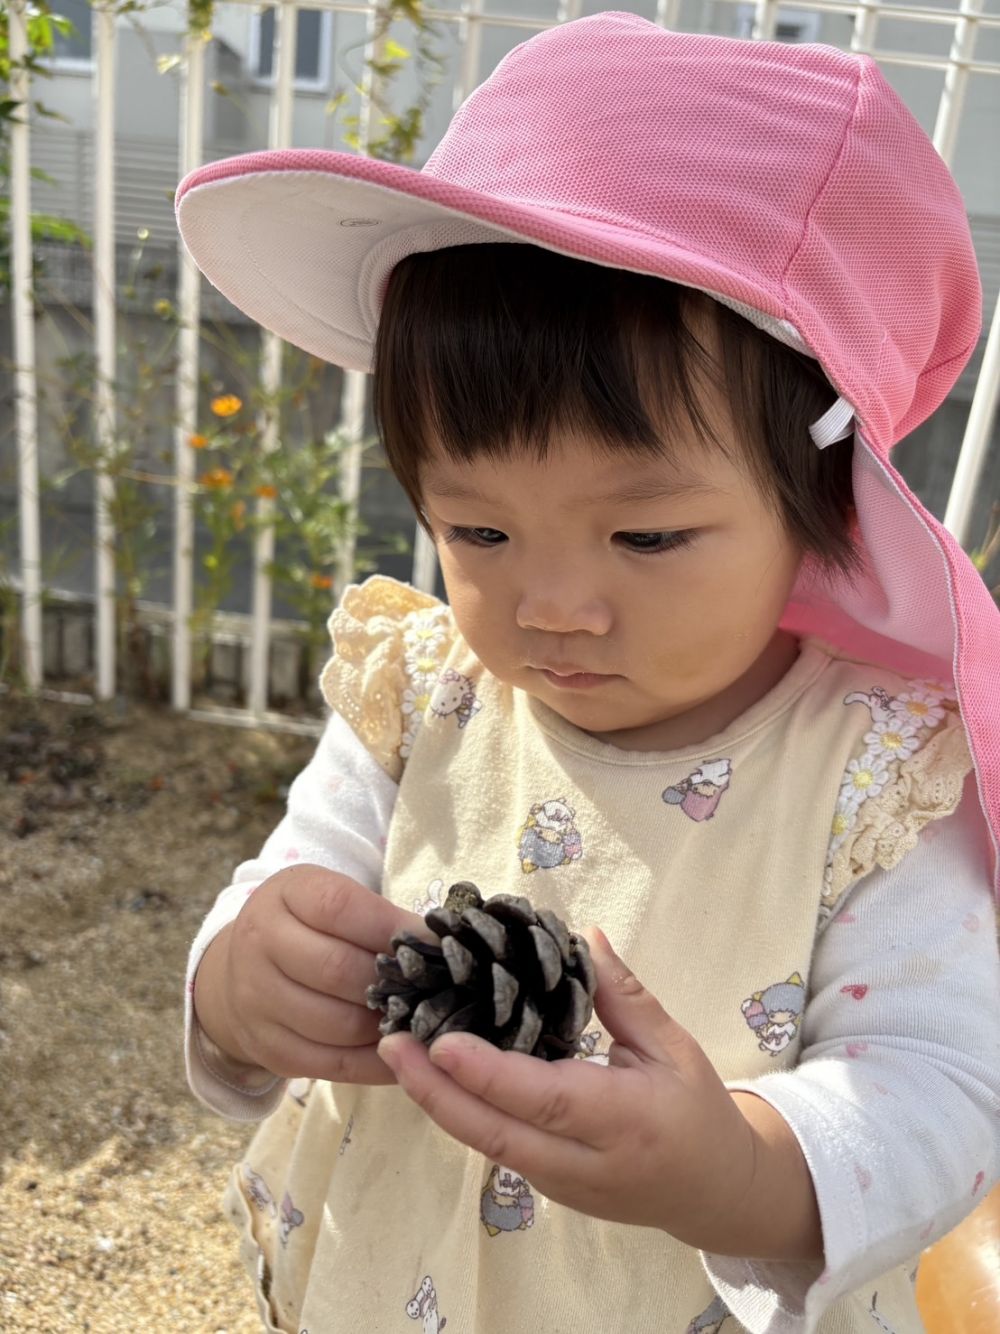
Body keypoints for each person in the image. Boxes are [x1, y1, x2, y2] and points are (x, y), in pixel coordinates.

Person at [175, 13, 1000, 1333]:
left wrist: (736, 1168)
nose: (554, 604)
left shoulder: (877, 773)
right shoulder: (423, 689)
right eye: (478, 530)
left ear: (824, 500)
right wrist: (239, 983)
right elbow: (289, 885)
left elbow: (945, 1092)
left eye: (649, 534)